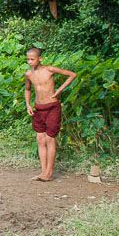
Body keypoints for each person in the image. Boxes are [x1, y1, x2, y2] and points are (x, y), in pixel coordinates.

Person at [24, 46, 76, 182]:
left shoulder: (49, 70)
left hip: (52, 107)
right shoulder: (28, 74)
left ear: (40, 59)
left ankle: (49, 172)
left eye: (32, 59)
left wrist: (59, 90)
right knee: (40, 139)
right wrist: (28, 104)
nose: (30, 62)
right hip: (38, 108)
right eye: (28, 59)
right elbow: (28, 89)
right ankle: (43, 172)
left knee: (49, 139)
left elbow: (72, 75)